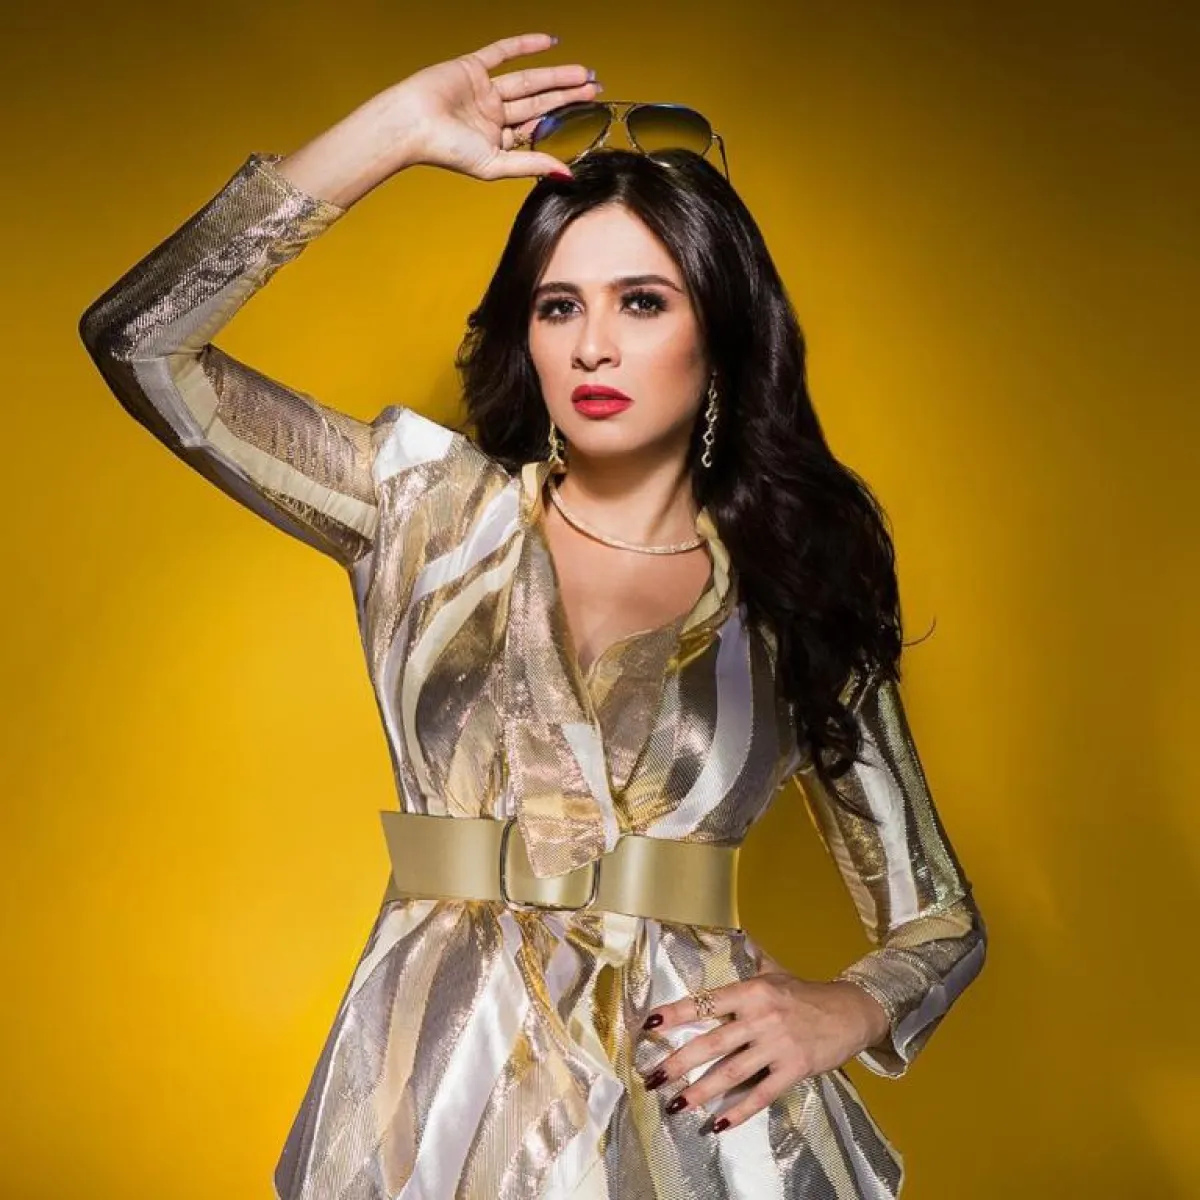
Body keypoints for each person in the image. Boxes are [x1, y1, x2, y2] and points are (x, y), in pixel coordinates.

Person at [78, 30, 986, 1200]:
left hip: (695, 1120)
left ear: (719, 337)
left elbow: (939, 916)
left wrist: (846, 1009)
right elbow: (141, 343)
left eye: (642, 302)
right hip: (434, 1110)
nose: (593, 345)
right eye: (559, 306)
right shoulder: (422, 512)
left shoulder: (792, 592)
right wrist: (391, 135)